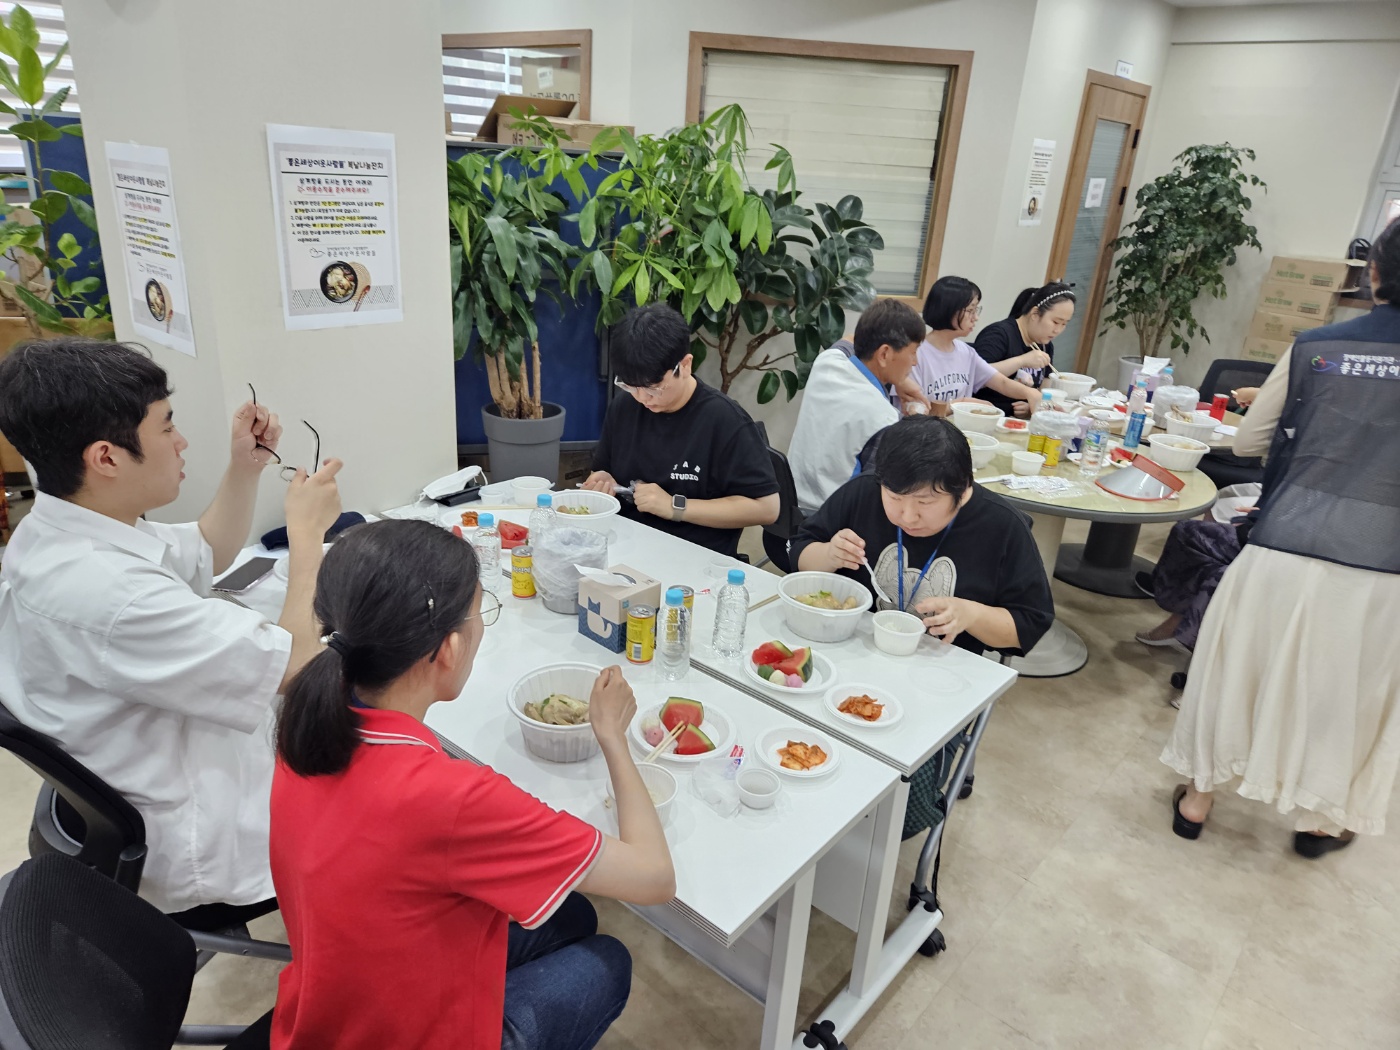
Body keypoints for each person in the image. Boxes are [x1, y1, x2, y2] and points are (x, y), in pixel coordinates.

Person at [270, 519, 674, 1050]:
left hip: (324, 1015)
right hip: (412, 1036)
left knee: (571, 912)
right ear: (449, 648)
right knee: (608, 960)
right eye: (483, 613)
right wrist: (612, 736)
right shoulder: (450, 796)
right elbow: (654, 878)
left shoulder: (308, 721)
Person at [0, 339, 342, 921]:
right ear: (106, 458)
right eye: (166, 427)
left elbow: (205, 549)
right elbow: (296, 670)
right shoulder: (110, 594)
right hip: (201, 838)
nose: (182, 442)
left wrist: (246, 466)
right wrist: (307, 537)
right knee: (392, 770)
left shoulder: (57, 527)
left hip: (138, 769)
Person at [1162, 217, 1400, 858]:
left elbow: (1248, 442)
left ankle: (1198, 800)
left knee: (1239, 670)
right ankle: (1319, 822)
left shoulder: (1317, 349)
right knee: (1348, 694)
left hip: (1284, 545)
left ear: (1374, 274)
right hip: (1384, 570)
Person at [792, 415, 1054, 837]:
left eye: (926, 502)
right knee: (794, 741)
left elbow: (1030, 623)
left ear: (962, 491)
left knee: (894, 807)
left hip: (935, 689)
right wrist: (828, 555)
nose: (907, 515)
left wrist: (972, 614)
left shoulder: (1000, 527)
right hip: (847, 660)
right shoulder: (863, 494)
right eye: (895, 498)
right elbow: (799, 553)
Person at [583, 304, 778, 557]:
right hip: (626, 549)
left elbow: (767, 508)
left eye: (653, 388)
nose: (642, 398)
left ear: (685, 365)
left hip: (695, 559)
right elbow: (603, 469)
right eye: (630, 386)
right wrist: (603, 480)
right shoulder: (624, 406)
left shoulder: (725, 421)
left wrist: (675, 507)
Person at [789, 298, 927, 516]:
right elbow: (877, 496)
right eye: (913, 352)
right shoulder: (883, 419)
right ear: (884, 354)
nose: (915, 362)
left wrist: (900, 381)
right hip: (829, 520)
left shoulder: (828, 361)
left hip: (790, 499)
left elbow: (851, 339)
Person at [909, 276, 1040, 407]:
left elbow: (1001, 383)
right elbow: (916, 409)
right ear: (949, 310)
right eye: (971, 311)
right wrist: (962, 403)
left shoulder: (966, 352)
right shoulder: (916, 353)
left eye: (976, 310)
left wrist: (1030, 393)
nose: (976, 318)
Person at [973, 282, 1076, 417]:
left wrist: (1033, 405)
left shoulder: (1044, 344)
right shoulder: (998, 334)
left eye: (1064, 324)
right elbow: (975, 375)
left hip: (1020, 421)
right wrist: (1021, 361)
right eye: (1056, 322)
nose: (1058, 330)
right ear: (1035, 313)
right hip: (986, 415)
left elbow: (1044, 388)